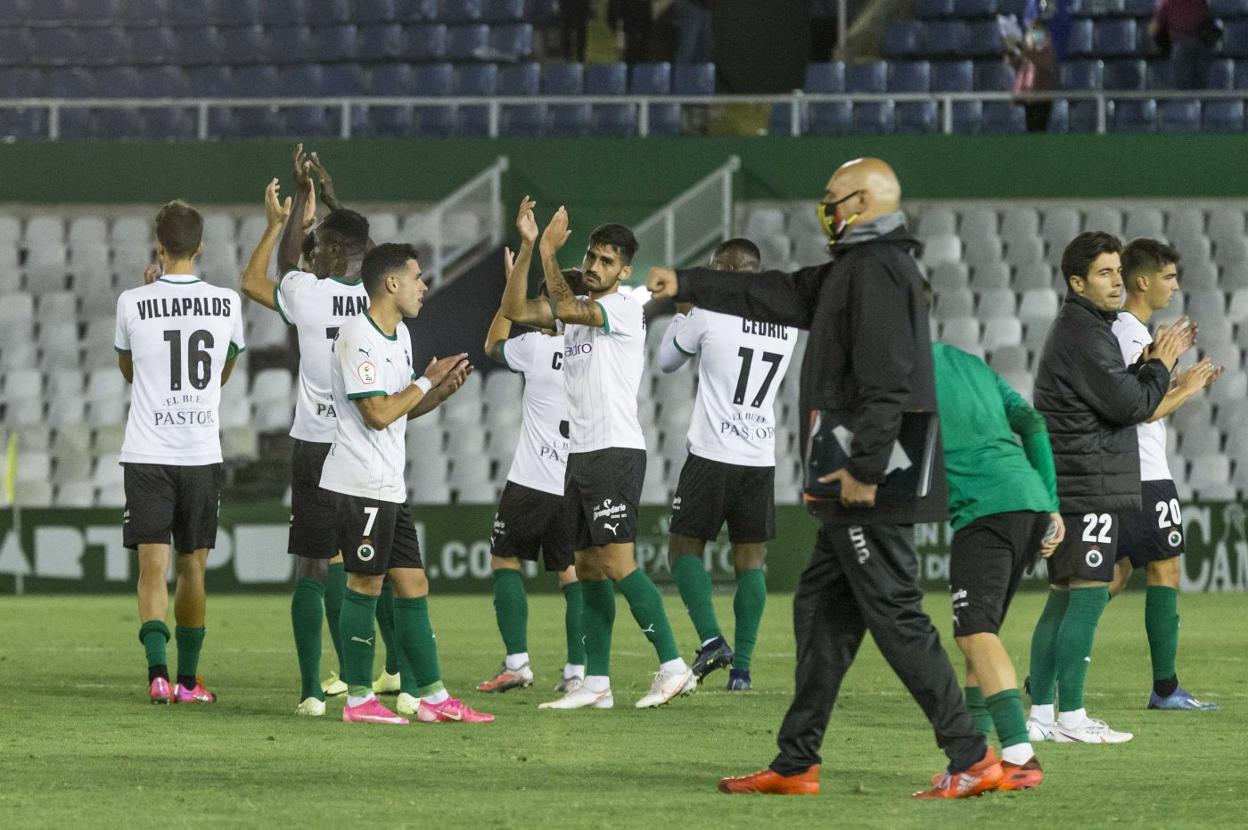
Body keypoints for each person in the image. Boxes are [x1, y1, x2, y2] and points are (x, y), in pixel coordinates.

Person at [649, 158, 1002, 799]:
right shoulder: (858, 270)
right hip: (853, 479)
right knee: (821, 615)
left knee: (895, 613)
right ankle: (795, 762)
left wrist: (866, 468)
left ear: (863, 203)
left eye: (833, 202)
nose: (826, 213)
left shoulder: (877, 271)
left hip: (870, 481)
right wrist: (688, 282)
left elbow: (891, 379)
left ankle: (971, 756)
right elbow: (777, 292)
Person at [503, 207, 695, 710]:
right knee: (586, 567)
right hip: (580, 453)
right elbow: (517, 313)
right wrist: (527, 251)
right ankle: (596, 683)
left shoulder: (625, 310)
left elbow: (566, 311)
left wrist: (548, 251)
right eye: (590, 256)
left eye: (606, 260)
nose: (594, 265)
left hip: (614, 450)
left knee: (616, 561)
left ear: (624, 271)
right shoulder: (579, 309)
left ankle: (674, 665)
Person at [240, 160, 399, 712]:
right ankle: (395, 673)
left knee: (314, 565)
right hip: (372, 442)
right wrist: (329, 200)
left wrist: (292, 214)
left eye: (323, 247)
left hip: (318, 444)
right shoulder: (389, 302)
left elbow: (283, 265)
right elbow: (385, 262)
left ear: (334, 251)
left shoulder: (308, 293)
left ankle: (312, 690)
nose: (316, 252)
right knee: (374, 564)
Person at [1025, 232, 1191, 744]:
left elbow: (1119, 395)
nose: (1116, 281)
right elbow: (1128, 406)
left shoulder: (1084, 328)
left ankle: (1043, 717)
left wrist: (1150, 367)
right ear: (1077, 282)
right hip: (1088, 479)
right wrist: (1161, 364)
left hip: (1078, 475)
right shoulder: (1085, 333)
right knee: (1088, 596)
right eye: (1104, 273)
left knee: (1063, 598)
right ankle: (1070, 718)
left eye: (1118, 271)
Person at [321, 242, 491, 725]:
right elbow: (375, 414)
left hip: (388, 482)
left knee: (414, 583)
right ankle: (358, 700)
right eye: (417, 277)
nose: (424, 286)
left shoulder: (400, 336)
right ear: (391, 283)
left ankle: (434, 698)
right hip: (359, 482)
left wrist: (436, 392)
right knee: (366, 583)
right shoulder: (359, 336)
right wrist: (423, 382)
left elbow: (401, 411)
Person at [116, 200, 245, 704]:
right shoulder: (227, 302)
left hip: (148, 450)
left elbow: (131, 374)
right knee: (193, 567)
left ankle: (157, 675)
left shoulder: (133, 301)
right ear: (201, 247)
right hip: (199, 451)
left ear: (159, 247)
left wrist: (150, 294)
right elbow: (221, 373)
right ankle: (190, 683)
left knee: (153, 567)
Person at [655, 237, 796, 691]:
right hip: (759, 455)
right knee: (750, 560)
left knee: (682, 550)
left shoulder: (708, 314)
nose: (714, 276)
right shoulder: (786, 322)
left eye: (720, 269)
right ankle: (743, 671)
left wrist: (682, 312)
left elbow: (666, 362)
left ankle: (713, 640)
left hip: (713, 453)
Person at [931, 341, 1063, 792]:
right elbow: (1032, 420)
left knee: (973, 634)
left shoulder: (902, 369)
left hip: (985, 507)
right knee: (979, 638)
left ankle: (1019, 755)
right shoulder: (969, 363)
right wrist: (1050, 503)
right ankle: (973, 759)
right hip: (1026, 500)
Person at [477, 198, 585, 695]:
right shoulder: (605, 349)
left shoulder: (536, 347)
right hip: (580, 478)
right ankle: (579, 672)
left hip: (533, 479)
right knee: (571, 572)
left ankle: (518, 663)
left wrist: (509, 292)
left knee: (505, 559)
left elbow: (493, 344)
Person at [1108, 238, 1221, 711]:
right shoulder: (1132, 334)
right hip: (1144, 474)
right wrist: (1187, 390)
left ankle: (1050, 669)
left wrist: (1176, 380)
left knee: (1108, 576)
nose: (1175, 285)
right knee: (1164, 569)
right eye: (1169, 277)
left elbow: (1137, 398)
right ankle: (1166, 688)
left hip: (1124, 469)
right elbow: (1142, 410)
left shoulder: (1128, 331)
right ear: (1143, 280)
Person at [1006, 16, 1057, 133]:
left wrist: (1025, 51)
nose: (1034, 34)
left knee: (1038, 129)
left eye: (1037, 31)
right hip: (1028, 96)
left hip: (1042, 96)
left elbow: (1045, 63)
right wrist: (1012, 51)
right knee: (1030, 129)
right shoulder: (1028, 51)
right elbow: (1017, 65)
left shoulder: (1045, 50)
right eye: (1032, 31)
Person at [1151, 0, 1217, 90]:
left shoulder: (1167, 2)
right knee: (1199, 84)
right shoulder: (1200, 2)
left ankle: (1186, 99)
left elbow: (1155, 27)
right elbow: (1207, 20)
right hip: (1198, 44)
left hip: (1182, 45)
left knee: (1183, 85)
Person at [675, 0, 713, 64]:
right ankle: (680, 73)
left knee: (704, 52)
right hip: (691, 7)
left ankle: (699, 73)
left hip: (705, 8)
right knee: (686, 51)